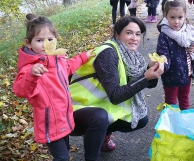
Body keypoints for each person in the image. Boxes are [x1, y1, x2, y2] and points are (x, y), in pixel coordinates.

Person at [69, 16, 164, 157]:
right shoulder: (108, 54)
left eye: (138, 34)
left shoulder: (131, 56)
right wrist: (145, 77)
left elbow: (147, 85)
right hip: (72, 109)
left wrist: (151, 70)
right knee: (99, 117)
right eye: (129, 33)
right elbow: (116, 96)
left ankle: (102, 134)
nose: (134, 38)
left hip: (96, 105)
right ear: (117, 34)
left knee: (140, 119)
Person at [12, 13, 95, 160]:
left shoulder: (57, 61)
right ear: (28, 43)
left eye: (50, 39)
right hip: (50, 124)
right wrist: (32, 75)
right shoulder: (30, 68)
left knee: (65, 151)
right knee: (62, 158)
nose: (46, 44)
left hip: (65, 118)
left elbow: (68, 66)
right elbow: (20, 90)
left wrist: (83, 57)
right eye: (39, 40)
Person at [156, 0, 194, 110]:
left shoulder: (187, 31)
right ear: (165, 16)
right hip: (171, 75)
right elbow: (163, 53)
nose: (176, 21)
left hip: (187, 72)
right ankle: (171, 125)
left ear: (185, 15)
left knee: (184, 99)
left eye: (180, 17)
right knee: (171, 102)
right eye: (172, 17)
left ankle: (184, 123)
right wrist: (162, 65)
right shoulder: (165, 35)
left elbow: (192, 45)